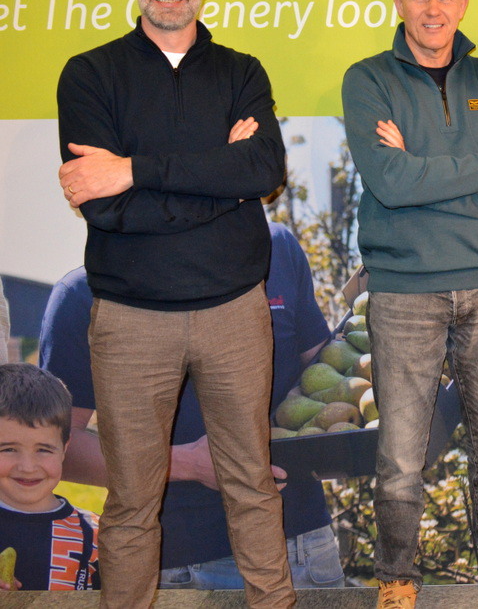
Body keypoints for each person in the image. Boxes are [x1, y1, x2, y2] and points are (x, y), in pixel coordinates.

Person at [54, 0, 292, 608]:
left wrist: (134, 169)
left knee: (251, 484)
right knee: (132, 497)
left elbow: (263, 171)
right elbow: (106, 208)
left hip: (234, 312)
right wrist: (220, 180)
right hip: (131, 320)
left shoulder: (242, 72)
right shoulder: (90, 75)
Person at [341, 0, 478, 609]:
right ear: (399, 2)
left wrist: (426, 170)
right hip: (404, 290)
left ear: (463, 3)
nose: (434, 9)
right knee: (402, 454)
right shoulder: (367, 80)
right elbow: (391, 183)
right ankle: (397, 579)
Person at [39, 222, 345, 589]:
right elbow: (59, 447)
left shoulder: (274, 247)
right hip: (175, 564)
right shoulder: (83, 296)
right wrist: (188, 463)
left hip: (298, 551)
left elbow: (327, 380)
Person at [0, 363, 98, 591]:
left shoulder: (95, 535)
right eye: (8, 449)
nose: (27, 467)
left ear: (65, 448)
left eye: (43, 450)